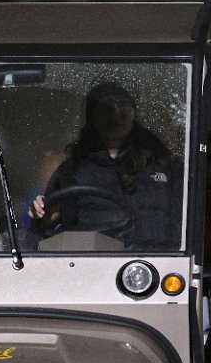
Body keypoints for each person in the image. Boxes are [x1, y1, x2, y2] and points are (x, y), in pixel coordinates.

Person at [29, 81, 182, 250]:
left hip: (156, 264)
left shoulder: (163, 165)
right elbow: (52, 231)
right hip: (93, 265)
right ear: (91, 116)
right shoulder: (72, 170)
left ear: (134, 113)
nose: (115, 114)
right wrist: (47, 216)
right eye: (105, 106)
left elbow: (183, 225)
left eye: (123, 105)